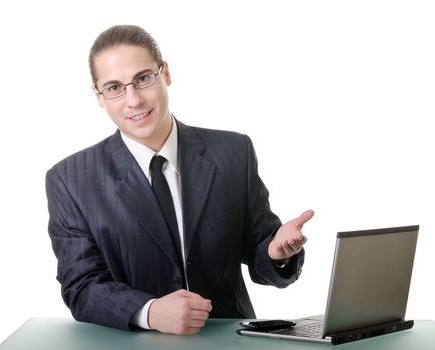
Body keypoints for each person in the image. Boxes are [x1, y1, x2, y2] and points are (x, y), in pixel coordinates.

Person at [46, 24, 314, 335]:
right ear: (99, 96)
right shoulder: (70, 180)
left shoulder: (233, 152)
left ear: (166, 74)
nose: (133, 100)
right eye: (114, 87)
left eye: (144, 78)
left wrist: (274, 253)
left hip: (229, 340)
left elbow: (258, 250)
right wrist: (148, 312)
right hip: (132, 343)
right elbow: (81, 287)